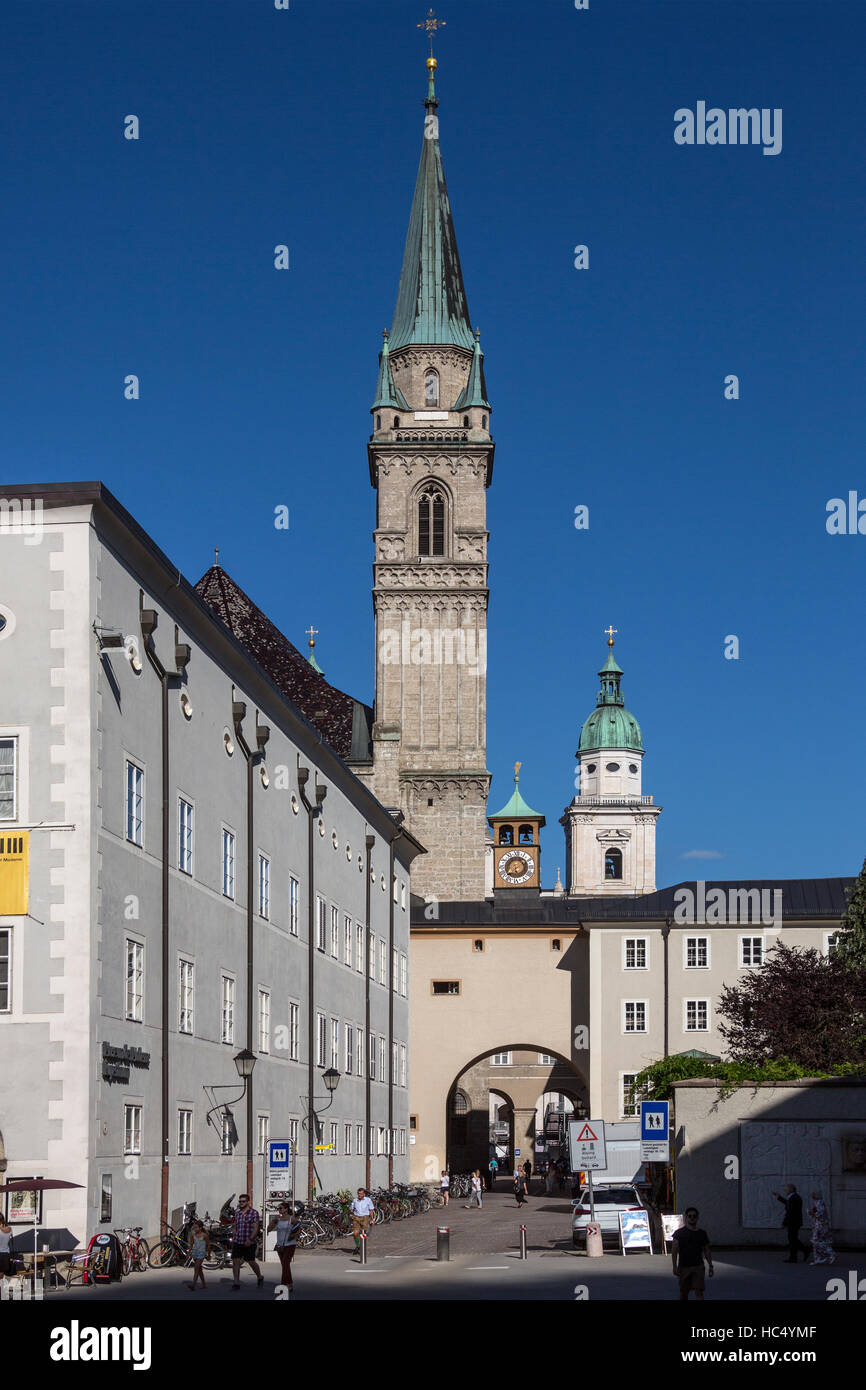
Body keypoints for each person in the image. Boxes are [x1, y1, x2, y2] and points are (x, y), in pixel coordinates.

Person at [671, 1207, 714, 1301]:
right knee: (684, 1293)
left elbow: (707, 1250)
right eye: (689, 1216)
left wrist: (710, 1265)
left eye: (694, 1216)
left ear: (697, 1218)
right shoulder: (679, 1233)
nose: (692, 1218)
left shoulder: (702, 1233)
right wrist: (674, 1266)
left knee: (699, 1292)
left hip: (698, 1266)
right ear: (686, 1217)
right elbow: (674, 1251)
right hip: (684, 1267)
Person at [230, 1193, 264, 1290]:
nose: (241, 1203)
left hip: (249, 1241)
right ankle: (236, 1283)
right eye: (240, 1201)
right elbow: (235, 1226)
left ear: (248, 1202)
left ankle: (260, 1277)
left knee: (251, 1261)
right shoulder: (237, 1213)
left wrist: (250, 1239)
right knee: (235, 1261)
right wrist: (234, 1236)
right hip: (238, 1241)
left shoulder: (254, 1213)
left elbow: (255, 1228)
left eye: (243, 1201)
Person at [268, 1202, 300, 1292]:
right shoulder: (278, 1219)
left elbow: (298, 1229)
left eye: (281, 1208)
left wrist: (293, 1235)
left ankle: (283, 1284)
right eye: (279, 1208)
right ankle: (289, 1284)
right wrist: (272, 1222)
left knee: (285, 1263)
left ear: (286, 1209)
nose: (279, 1210)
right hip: (280, 1245)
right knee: (284, 1265)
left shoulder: (291, 1219)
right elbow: (270, 1228)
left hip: (290, 1244)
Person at [772, 1184, 809, 1263]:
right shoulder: (794, 1197)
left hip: (793, 1222)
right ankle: (797, 1255)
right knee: (793, 1239)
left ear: (791, 1190)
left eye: (786, 1189)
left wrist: (784, 1222)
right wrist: (779, 1197)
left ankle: (800, 1254)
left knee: (792, 1239)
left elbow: (790, 1212)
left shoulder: (794, 1198)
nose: (785, 1191)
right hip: (795, 1222)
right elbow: (787, 1203)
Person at [808, 1191, 835, 1265]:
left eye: (813, 1194)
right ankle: (819, 1258)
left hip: (821, 1225)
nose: (811, 1196)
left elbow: (821, 1213)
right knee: (819, 1240)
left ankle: (830, 1252)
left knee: (816, 1240)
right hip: (819, 1224)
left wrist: (812, 1213)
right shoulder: (817, 1202)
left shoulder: (820, 1202)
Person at [350, 1187, 376, 1257]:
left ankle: (362, 1247)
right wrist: (351, 1210)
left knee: (363, 1233)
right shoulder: (355, 1200)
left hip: (365, 1218)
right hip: (356, 1217)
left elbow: (371, 1210)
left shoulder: (368, 1200)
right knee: (355, 1233)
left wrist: (372, 1219)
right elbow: (351, 1209)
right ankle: (358, 1246)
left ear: (364, 1194)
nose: (359, 1195)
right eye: (358, 1194)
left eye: (361, 1194)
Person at [187, 1219, 211, 1291]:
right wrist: (189, 1252)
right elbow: (191, 1245)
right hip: (195, 1253)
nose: (195, 1229)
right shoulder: (193, 1235)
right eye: (194, 1228)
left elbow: (208, 1246)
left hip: (201, 1254)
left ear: (200, 1228)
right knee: (199, 1269)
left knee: (196, 1268)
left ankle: (193, 1284)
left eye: (196, 1227)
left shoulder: (204, 1235)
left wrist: (209, 1255)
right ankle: (204, 1284)